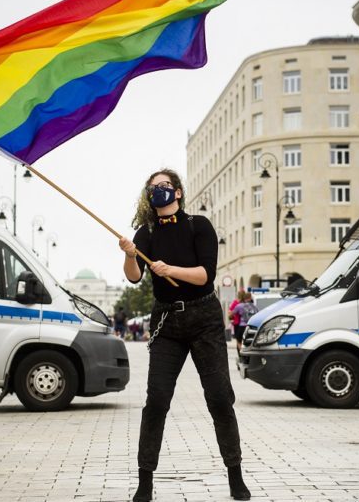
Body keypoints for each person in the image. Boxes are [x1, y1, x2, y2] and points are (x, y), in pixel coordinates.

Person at [119, 169, 250, 502]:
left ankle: (235, 476)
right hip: (166, 321)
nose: (157, 192)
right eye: (152, 189)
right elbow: (134, 278)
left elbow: (206, 276)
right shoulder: (146, 232)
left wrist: (170, 269)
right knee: (157, 402)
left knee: (220, 397)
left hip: (204, 317)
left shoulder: (199, 225)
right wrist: (130, 254)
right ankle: (144, 481)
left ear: (177, 192)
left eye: (163, 186)